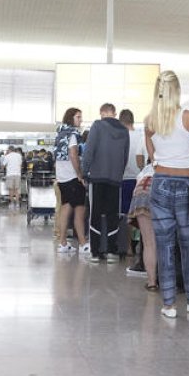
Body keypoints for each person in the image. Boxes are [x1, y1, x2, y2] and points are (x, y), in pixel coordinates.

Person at [145, 71, 189, 318]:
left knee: (164, 244)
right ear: (178, 90)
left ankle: (168, 304)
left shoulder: (150, 121)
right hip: (188, 184)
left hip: (160, 183)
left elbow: (152, 157)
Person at [81, 102, 131, 263]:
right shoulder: (124, 130)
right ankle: (111, 251)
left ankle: (95, 252)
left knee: (95, 213)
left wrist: (84, 171)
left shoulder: (97, 125)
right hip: (115, 178)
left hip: (97, 177)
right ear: (114, 113)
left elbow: (89, 150)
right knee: (112, 214)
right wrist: (119, 173)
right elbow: (125, 156)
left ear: (102, 113)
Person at [54, 108, 88, 254]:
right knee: (79, 209)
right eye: (78, 117)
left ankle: (63, 242)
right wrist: (80, 174)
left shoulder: (60, 133)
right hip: (72, 176)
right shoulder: (73, 135)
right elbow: (73, 155)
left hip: (62, 177)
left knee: (65, 208)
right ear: (71, 118)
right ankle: (83, 243)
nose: (80, 120)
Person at [119, 109, 146, 270]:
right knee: (142, 214)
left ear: (121, 122)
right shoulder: (142, 136)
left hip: (124, 179)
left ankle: (128, 247)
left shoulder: (121, 136)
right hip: (140, 179)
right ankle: (142, 247)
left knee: (127, 214)